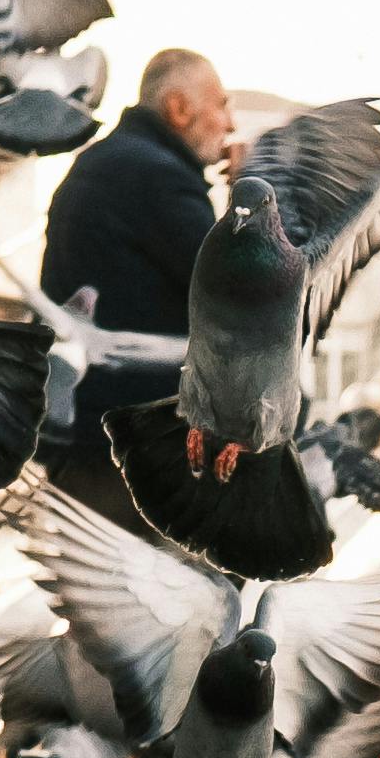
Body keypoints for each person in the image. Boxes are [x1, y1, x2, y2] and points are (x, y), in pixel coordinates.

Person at [38, 46, 231, 522]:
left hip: (81, 439)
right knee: (185, 593)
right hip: (144, 454)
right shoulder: (160, 179)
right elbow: (239, 296)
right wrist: (256, 193)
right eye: (221, 105)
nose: (230, 125)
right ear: (179, 109)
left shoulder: (99, 165)